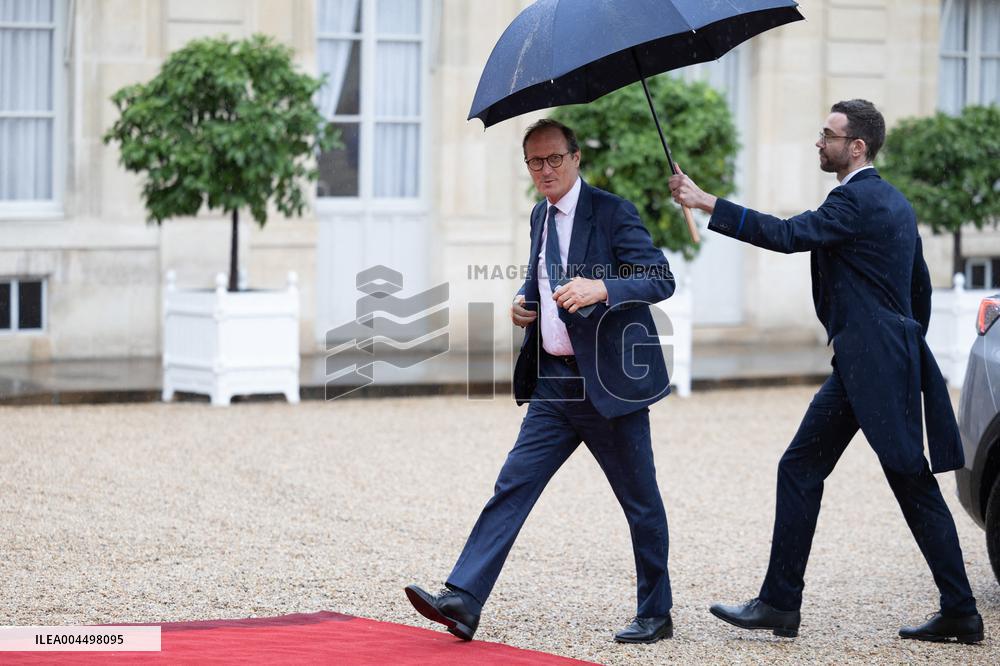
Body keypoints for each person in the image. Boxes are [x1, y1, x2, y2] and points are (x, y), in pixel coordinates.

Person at [668, 99, 984, 644]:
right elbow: (920, 290)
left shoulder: (857, 201)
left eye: (828, 134)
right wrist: (898, 339)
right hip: (871, 362)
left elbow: (789, 235)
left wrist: (705, 201)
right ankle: (780, 604)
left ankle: (960, 611)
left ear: (855, 146)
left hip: (874, 364)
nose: (819, 142)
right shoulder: (893, 201)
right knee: (800, 467)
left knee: (909, 481)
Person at [405, 119, 677, 644]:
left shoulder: (614, 211)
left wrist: (602, 287)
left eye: (554, 159)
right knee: (513, 485)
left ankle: (655, 612)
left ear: (576, 158)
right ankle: (463, 599)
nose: (545, 170)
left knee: (640, 500)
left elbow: (659, 278)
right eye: (535, 162)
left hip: (611, 386)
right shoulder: (540, 216)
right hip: (554, 384)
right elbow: (541, 274)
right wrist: (524, 300)